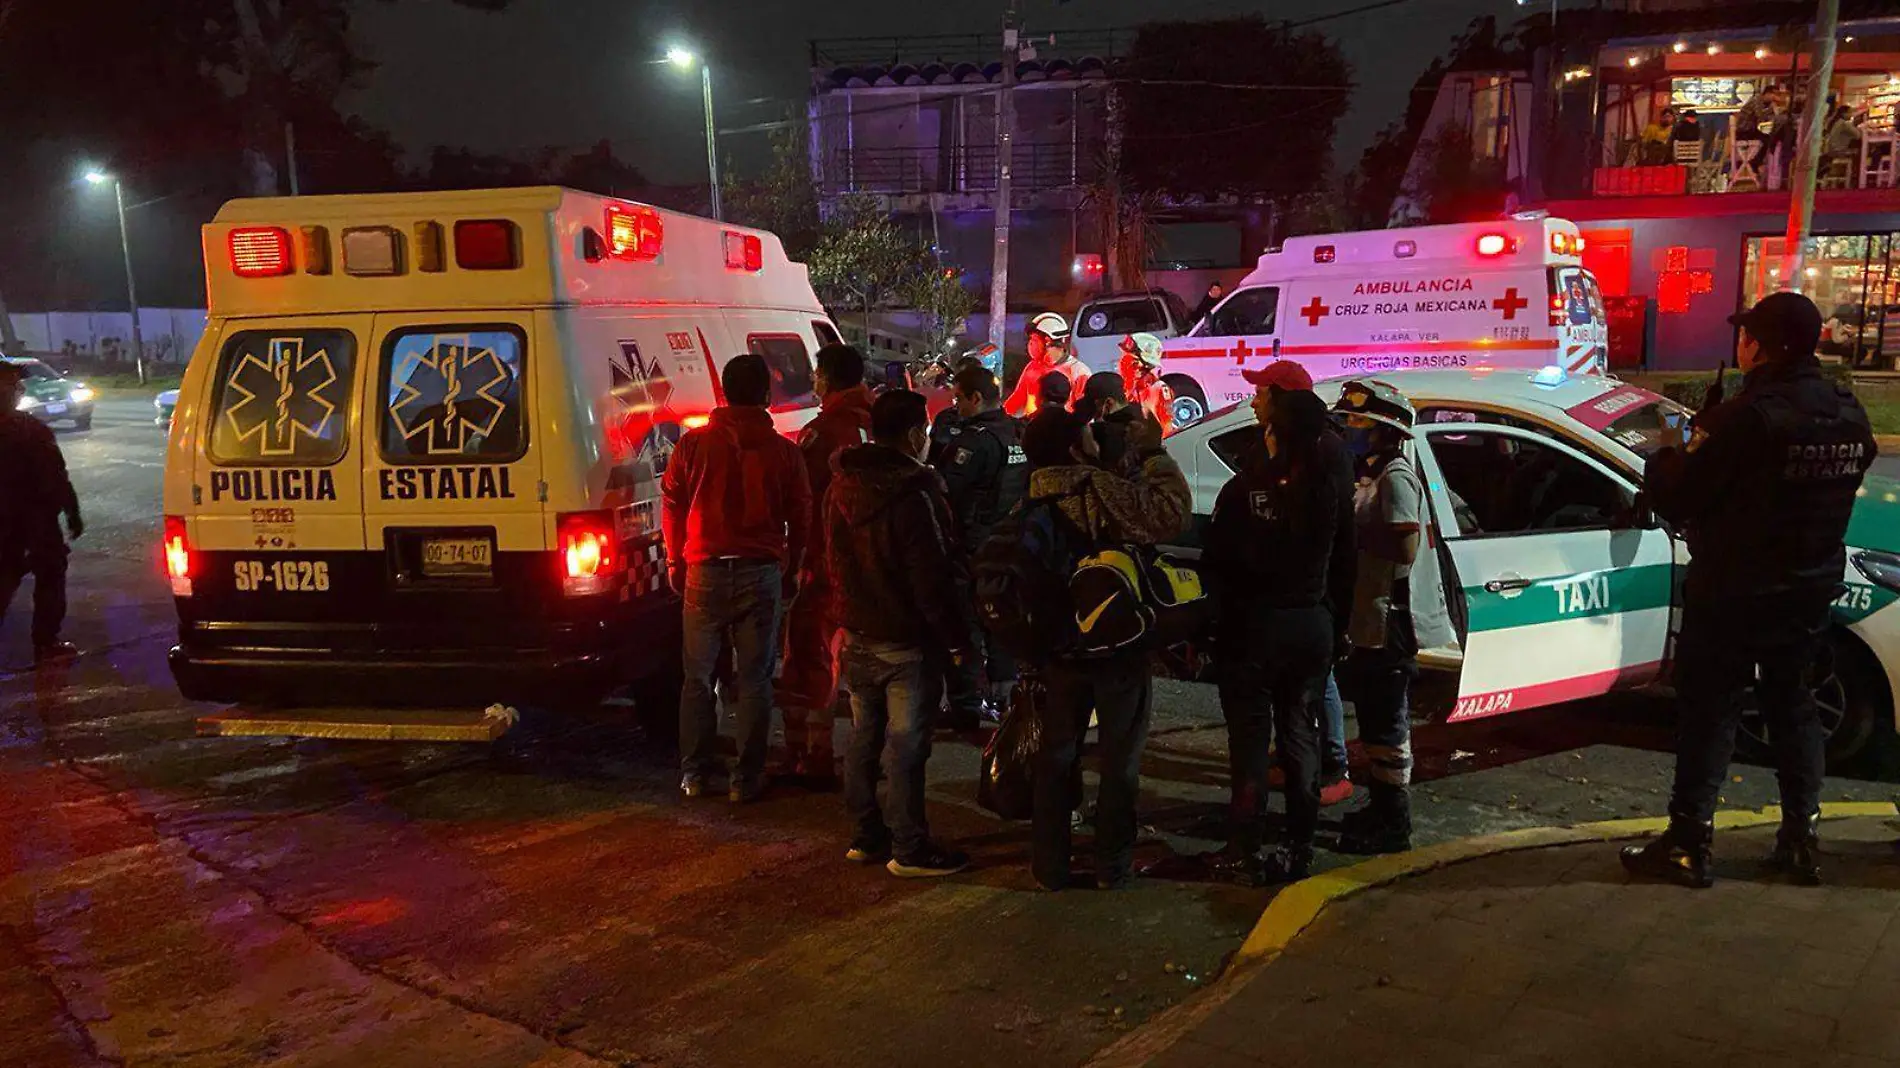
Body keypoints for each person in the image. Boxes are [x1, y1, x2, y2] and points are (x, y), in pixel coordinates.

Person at [1623, 292, 1875, 888]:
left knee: (1711, 713)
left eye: (1746, 335)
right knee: (1795, 708)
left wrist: (1668, 451)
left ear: (1758, 345)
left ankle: (1687, 844)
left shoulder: (1744, 417)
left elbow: (1680, 496)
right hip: (1808, 590)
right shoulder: (1847, 410)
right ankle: (1800, 841)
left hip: (1734, 592)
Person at [1023, 406, 1191, 890]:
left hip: (1058, 649)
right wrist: (1154, 452)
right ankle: (1111, 864)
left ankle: (1049, 866)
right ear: (1076, 449)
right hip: (1115, 646)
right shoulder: (1096, 489)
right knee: (1120, 759)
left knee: (1057, 755)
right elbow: (1171, 514)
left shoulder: (1029, 493)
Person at [1202, 361, 1356, 884]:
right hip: (1310, 626)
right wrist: (1337, 624)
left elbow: (1218, 562)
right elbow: (1346, 560)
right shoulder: (1327, 489)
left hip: (1256, 629)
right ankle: (1300, 841)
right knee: (1299, 735)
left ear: (1274, 432)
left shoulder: (1247, 490)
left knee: (1249, 742)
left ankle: (1243, 841)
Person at [828, 389, 974, 877]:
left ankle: (866, 835)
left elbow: (832, 560)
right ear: (915, 434)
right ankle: (909, 847)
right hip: (905, 640)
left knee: (864, 739)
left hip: (858, 632)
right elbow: (930, 576)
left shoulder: (842, 486)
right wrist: (957, 641)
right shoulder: (914, 493)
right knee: (907, 746)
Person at [663, 353, 812, 803]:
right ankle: (745, 779)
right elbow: (801, 513)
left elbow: (671, 504)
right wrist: (793, 560)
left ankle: (694, 773)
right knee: (755, 680)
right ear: (766, 396)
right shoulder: (785, 452)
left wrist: (675, 561)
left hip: (703, 572)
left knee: (697, 678)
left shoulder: (692, 446)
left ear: (724, 393)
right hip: (759, 572)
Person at [1333, 379, 1425, 856]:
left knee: (1388, 723)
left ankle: (1395, 821)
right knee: (1372, 719)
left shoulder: (1395, 477)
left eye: (1358, 420)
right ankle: (1380, 806)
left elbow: (1404, 545)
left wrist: (1353, 544)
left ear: (1385, 430)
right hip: (1369, 620)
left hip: (1390, 622)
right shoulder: (1368, 473)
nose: (1349, 426)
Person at [776, 343, 874, 791]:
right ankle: (872, 757)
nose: (813, 382)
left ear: (829, 379)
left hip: (826, 563)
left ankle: (812, 754)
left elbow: (803, 501)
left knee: (811, 658)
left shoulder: (824, 432)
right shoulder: (878, 422)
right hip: (874, 564)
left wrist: (799, 560)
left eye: (817, 374)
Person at [933, 364, 1028, 727]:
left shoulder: (975, 441)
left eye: (959, 398)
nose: (956, 405)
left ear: (975, 398)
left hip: (974, 547)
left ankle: (967, 704)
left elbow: (947, 492)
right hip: (1010, 543)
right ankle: (1005, 699)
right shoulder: (1017, 432)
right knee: (1002, 619)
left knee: (967, 624)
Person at [0, 363, 82, 663]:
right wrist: (72, 512)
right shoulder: (29, 430)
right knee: (49, 575)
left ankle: (47, 641)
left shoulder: (30, 429)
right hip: (34, 522)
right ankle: (46, 643)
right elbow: (56, 476)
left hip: (21, 521)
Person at [1003, 312, 1089, 418]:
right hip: (1033, 428)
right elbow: (1017, 399)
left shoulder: (1079, 372)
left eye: (1034, 339)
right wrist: (1000, 417)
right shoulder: (1032, 367)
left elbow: (1084, 413)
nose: (1030, 344)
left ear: (1048, 341)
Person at [1118, 332, 1175, 436]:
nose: (1121, 361)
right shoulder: (1126, 389)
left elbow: (1166, 430)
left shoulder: (1158, 390)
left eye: (1127, 357)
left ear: (1140, 365)